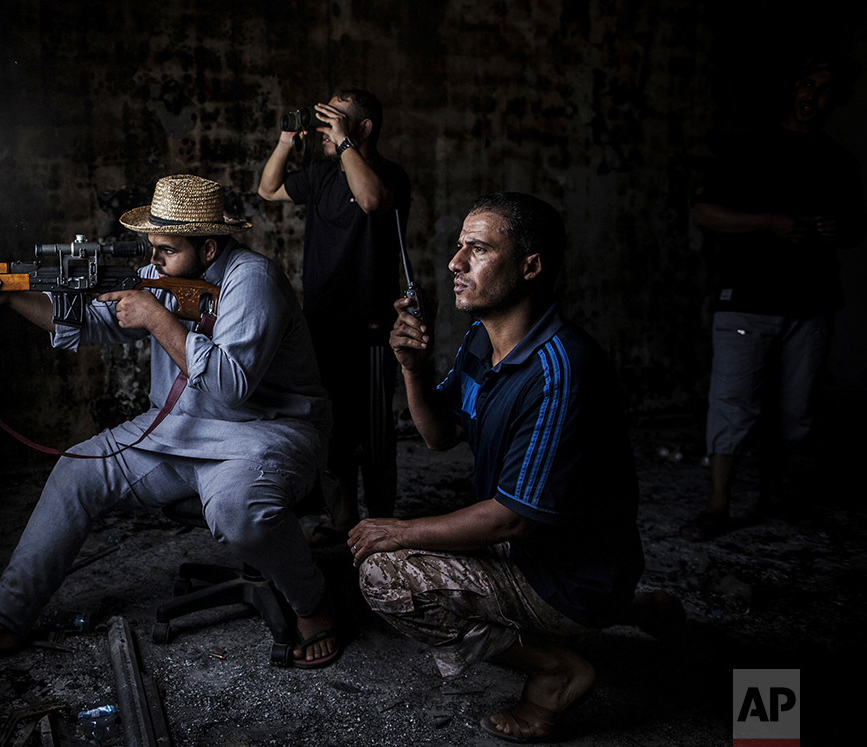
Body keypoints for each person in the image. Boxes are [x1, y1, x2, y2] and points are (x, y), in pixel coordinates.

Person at [0, 174, 341, 667]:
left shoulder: (251, 279)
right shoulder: (163, 279)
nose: (152, 261)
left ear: (208, 247)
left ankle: (311, 602)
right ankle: (4, 618)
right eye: (150, 248)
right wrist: (10, 296)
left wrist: (155, 317)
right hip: (178, 429)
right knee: (77, 469)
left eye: (165, 250)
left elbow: (232, 387)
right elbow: (91, 322)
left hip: (263, 434)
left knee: (238, 512)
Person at [350, 192, 648, 742]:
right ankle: (627, 608)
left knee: (385, 575)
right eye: (459, 247)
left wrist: (402, 531)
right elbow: (440, 436)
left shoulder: (561, 369)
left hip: (565, 570)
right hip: (541, 551)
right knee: (419, 535)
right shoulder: (482, 340)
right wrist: (414, 369)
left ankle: (557, 668)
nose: (455, 263)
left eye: (478, 250)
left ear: (530, 267)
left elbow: (513, 518)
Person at [681, 54, 864, 541]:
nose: (813, 96)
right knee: (734, 403)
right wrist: (770, 222)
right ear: (793, 88)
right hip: (747, 299)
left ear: (836, 101)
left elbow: (854, 229)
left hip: (813, 302)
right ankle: (719, 506)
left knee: (796, 409)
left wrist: (838, 228)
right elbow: (703, 211)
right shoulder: (749, 149)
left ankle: (773, 493)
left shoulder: (840, 162)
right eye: (808, 84)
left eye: (826, 90)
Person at [257, 88, 412, 543]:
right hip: (321, 322)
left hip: (370, 327)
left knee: (376, 435)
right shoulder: (322, 175)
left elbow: (370, 202)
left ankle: (383, 525)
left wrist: (343, 142)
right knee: (334, 429)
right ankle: (345, 518)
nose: (326, 126)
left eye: (337, 118)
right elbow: (268, 189)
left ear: (362, 128)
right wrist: (288, 139)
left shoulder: (390, 177)